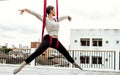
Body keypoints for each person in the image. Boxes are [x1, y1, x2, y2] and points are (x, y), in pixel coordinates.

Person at [13, 5, 82, 74]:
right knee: (36, 53)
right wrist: (25, 9)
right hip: (49, 39)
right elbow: (35, 14)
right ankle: (20, 67)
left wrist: (68, 17)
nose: (55, 11)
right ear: (51, 11)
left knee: (66, 54)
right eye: (54, 10)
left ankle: (76, 65)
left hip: (56, 41)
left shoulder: (56, 20)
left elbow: (63, 17)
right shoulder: (45, 19)